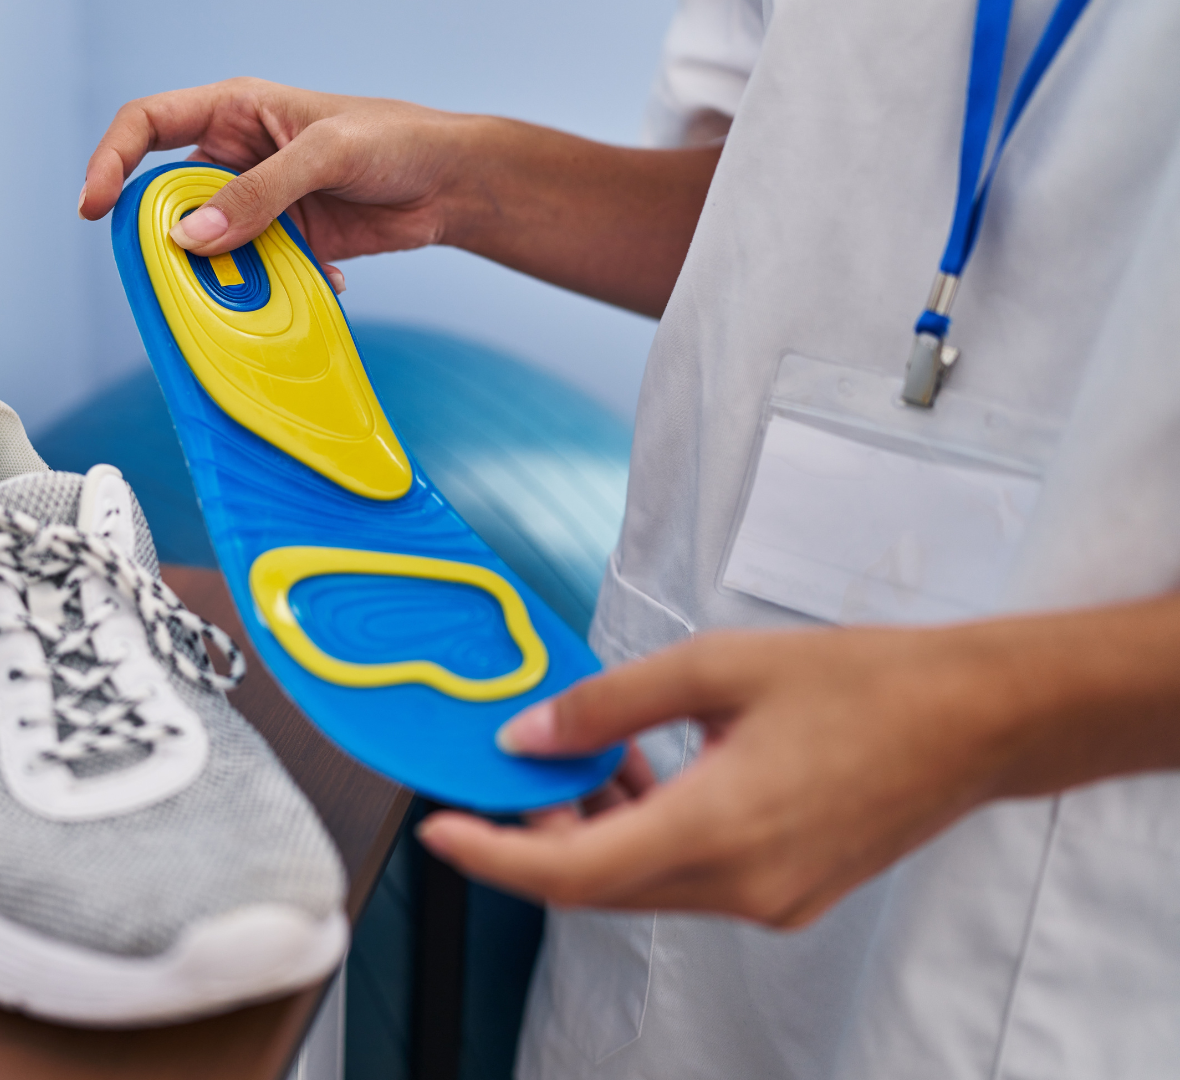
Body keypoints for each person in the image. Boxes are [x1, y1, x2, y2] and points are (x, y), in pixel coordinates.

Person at [77, 0, 1180, 1076]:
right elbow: (780, 207)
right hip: (715, 670)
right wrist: (457, 178)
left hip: (1085, 852)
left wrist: (975, 718)